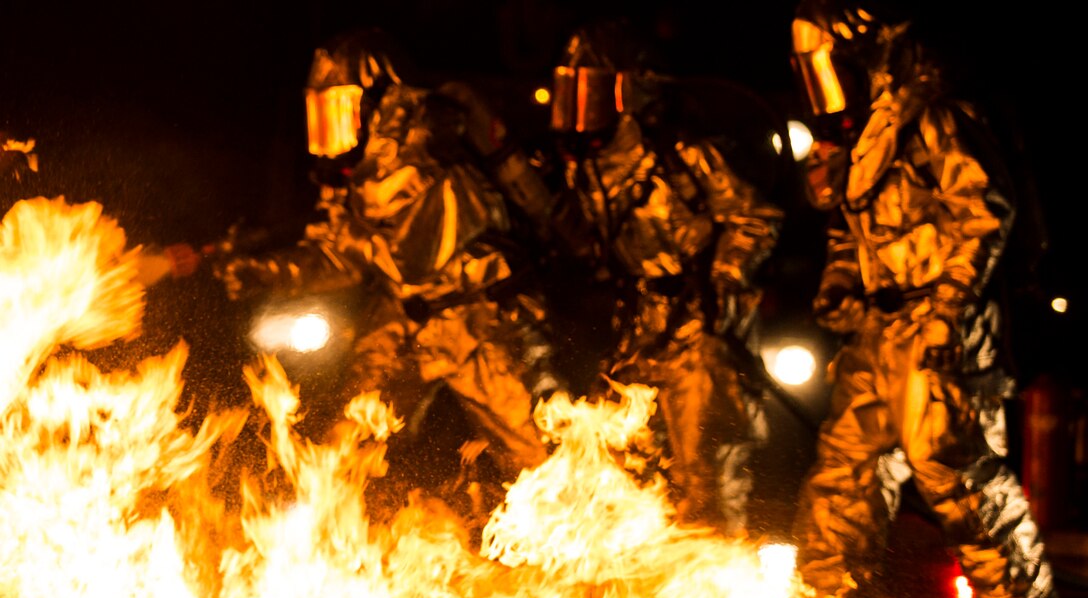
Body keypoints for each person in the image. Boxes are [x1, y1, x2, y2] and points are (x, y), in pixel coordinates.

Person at [199, 28, 563, 524]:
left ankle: (591, 563)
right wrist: (262, 271)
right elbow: (341, 255)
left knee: (540, 457)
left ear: (376, 101)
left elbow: (411, 237)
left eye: (341, 110)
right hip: (404, 319)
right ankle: (321, 557)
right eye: (322, 114)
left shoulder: (435, 133)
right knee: (346, 443)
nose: (332, 132)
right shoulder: (354, 174)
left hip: (480, 319)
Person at [787, 0, 1057, 598]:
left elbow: (986, 212)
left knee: (950, 462)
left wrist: (946, 314)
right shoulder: (865, 133)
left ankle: (1010, 597)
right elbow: (852, 229)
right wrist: (840, 286)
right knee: (844, 469)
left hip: (941, 323)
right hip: (879, 330)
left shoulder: (933, 116)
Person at [544, 17, 784, 537]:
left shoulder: (686, 155)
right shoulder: (586, 169)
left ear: (629, 93)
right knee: (619, 457)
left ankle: (715, 593)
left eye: (591, 93)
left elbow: (756, 218)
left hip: (705, 330)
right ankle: (643, 592)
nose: (579, 110)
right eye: (573, 92)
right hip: (644, 328)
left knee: (707, 470)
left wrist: (722, 278)